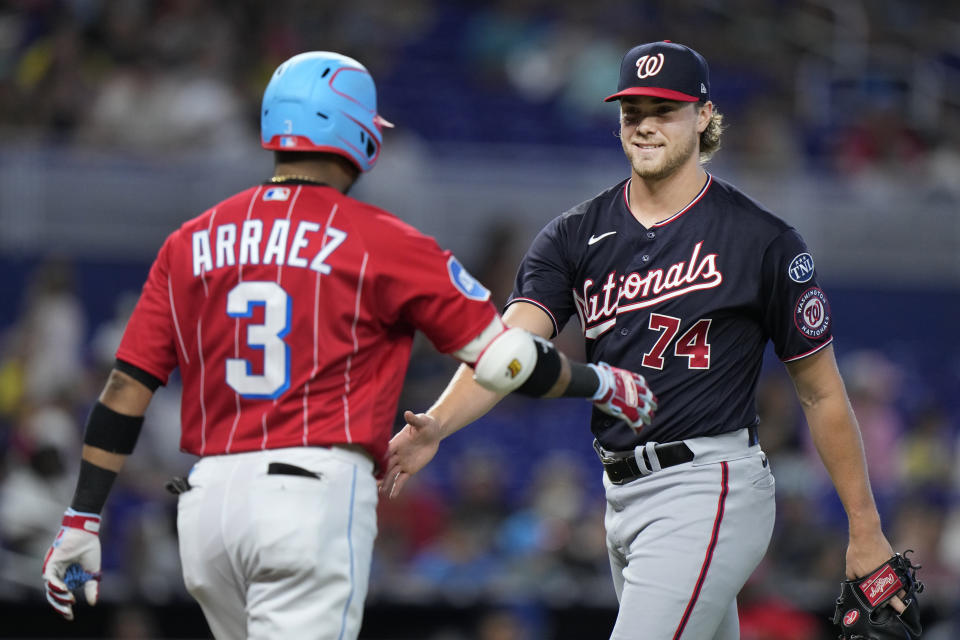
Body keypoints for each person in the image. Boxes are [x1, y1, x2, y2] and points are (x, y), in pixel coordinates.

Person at [40, 51, 656, 639]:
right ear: (360, 134)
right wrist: (600, 382)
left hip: (206, 510)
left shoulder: (190, 241)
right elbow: (506, 360)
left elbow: (125, 387)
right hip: (309, 499)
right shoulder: (382, 240)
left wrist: (81, 519)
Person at [384, 41, 904, 639]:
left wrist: (865, 529)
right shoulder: (573, 235)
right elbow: (509, 348)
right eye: (634, 111)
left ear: (704, 116)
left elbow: (820, 393)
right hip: (621, 496)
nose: (646, 125)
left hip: (711, 486)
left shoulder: (762, 240)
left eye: (665, 109)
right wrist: (438, 423)